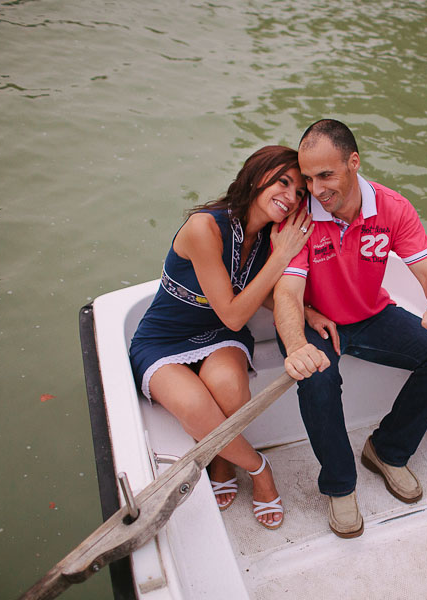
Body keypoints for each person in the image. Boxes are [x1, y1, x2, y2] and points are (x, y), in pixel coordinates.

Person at [273, 119, 427, 538]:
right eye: (308, 178)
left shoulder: (393, 207)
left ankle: (387, 451)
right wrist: (295, 347)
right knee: (318, 378)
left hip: (370, 314)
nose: (317, 188)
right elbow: (287, 294)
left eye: (326, 175)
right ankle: (340, 485)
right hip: (318, 319)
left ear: (353, 162)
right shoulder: (300, 218)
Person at [129, 145, 313, 529]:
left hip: (214, 335)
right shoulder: (204, 226)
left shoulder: (267, 237)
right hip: (162, 340)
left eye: (299, 193)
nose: (290, 197)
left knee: (230, 390)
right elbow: (232, 314)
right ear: (255, 175)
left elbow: (255, 294)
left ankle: (220, 455)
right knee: (196, 406)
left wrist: (308, 312)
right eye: (283, 182)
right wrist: (281, 258)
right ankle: (258, 469)